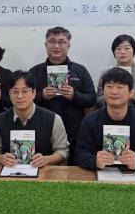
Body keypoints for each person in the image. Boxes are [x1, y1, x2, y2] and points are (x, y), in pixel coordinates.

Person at [29, 26, 97, 164]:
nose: (56, 46)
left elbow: (92, 98)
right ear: (46, 45)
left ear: (68, 46)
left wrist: (74, 95)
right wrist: (41, 96)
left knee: (75, 172)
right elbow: (23, 99)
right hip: (42, 135)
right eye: (52, 41)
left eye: (61, 42)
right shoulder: (34, 72)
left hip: (74, 135)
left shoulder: (80, 70)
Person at [75, 67, 135, 172]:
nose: (114, 92)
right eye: (109, 87)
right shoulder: (90, 121)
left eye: (120, 87)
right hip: (99, 176)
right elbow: (80, 154)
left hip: (134, 177)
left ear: (131, 92)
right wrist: (95, 161)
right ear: (103, 91)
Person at [0, 71, 69, 168]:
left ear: (34, 93)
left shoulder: (54, 119)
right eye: (15, 92)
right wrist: (0, 158)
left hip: (44, 172)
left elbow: (63, 151)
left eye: (25, 91)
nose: (20, 96)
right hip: (11, 172)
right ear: (9, 94)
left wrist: (46, 160)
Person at [96, 34, 135, 113]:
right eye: (118, 48)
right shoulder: (105, 73)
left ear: (133, 51)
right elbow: (99, 101)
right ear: (114, 53)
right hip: (111, 117)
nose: (122, 52)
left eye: (127, 48)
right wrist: (110, 97)